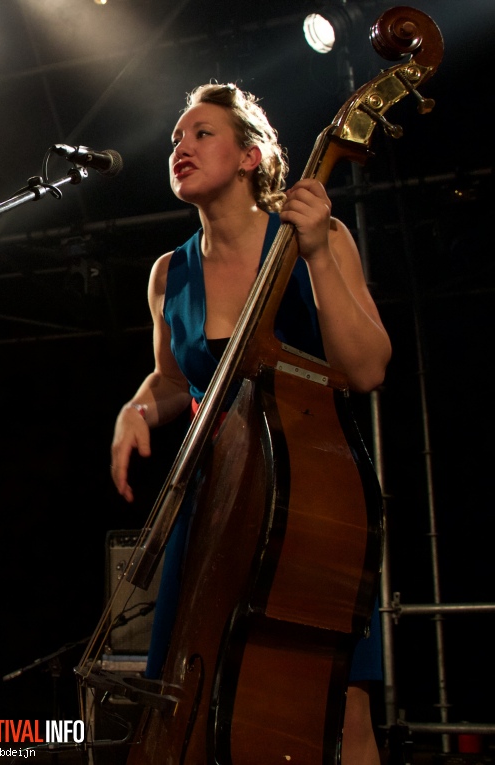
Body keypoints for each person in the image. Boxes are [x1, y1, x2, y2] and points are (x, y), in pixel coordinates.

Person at [110, 82, 391, 765]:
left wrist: (319, 252)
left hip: (308, 501)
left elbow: (367, 368)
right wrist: (137, 408)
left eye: (201, 133)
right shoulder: (167, 273)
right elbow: (173, 383)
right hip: (214, 499)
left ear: (249, 156)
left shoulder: (313, 237)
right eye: (176, 137)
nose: (181, 146)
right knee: (185, 693)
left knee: (341, 707)